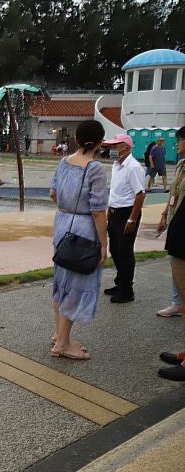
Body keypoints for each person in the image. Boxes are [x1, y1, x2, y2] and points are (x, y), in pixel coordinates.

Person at [49, 120, 108, 360]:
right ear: (101, 142)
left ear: (76, 139)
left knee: (61, 282)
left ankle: (59, 335)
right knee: (75, 285)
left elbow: (53, 193)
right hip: (84, 229)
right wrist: (104, 244)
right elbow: (98, 210)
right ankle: (62, 344)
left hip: (62, 224)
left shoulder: (64, 162)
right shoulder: (95, 168)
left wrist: (66, 210)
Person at [102, 134, 146, 303]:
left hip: (127, 214)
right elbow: (116, 190)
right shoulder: (116, 165)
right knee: (115, 250)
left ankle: (127, 291)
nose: (112, 149)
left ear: (126, 147)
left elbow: (140, 194)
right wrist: (109, 209)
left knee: (125, 252)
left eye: (115, 146)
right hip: (115, 212)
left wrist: (132, 219)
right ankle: (120, 283)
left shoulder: (133, 167)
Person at [156, 127, 185, 381]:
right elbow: (176, 196)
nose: (178, 145)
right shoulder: (182, 166)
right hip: (179, 234)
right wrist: (166, 214)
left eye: (181, 140)